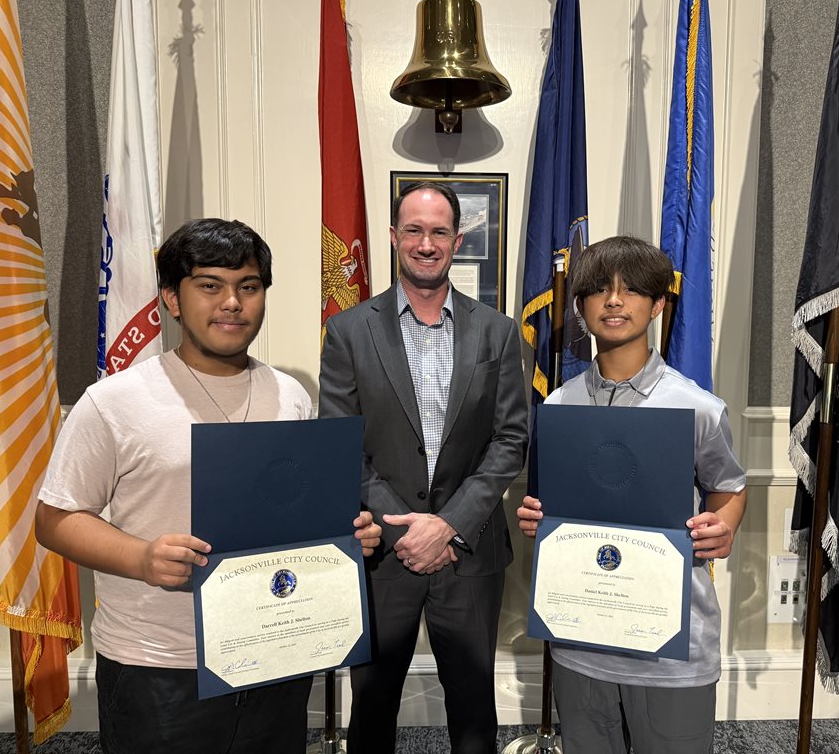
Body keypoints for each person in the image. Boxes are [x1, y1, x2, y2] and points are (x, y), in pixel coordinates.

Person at [35, 218, 381, 754]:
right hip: (161, 665)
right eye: (210, 285)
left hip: (275, 649)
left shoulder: (290, 395)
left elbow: (293, 510)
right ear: (172, 299)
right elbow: (55, 520)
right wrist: (141, 557)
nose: (232, 303)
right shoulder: (114, 401)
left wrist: (346, 537)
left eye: (249, 286)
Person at [319, 182, 528, 754]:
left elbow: (512, 439)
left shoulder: (498, 331)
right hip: (384, 550)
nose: (426, 243)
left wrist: (449, 524)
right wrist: (406, 528)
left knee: (474, 710)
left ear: (458, 240)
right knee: (373, 706)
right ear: (394, 236)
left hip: (470, 549)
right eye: (413, 230)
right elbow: (341, 446)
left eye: (439, 231)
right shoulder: (348, 331)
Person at [517, 236, 747, 754]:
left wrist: (724, 525)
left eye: (632, 290)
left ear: (658, 303)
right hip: (581, 640)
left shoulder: (697, 407)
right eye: (599, 290)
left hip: (671, 649)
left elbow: (728, 487)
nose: (614, 301)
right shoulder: (559, 406)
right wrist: (539, 518)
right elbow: (560, 509)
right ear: (580, 307)